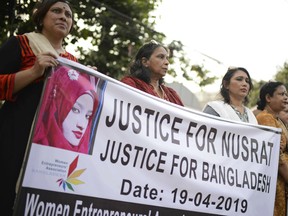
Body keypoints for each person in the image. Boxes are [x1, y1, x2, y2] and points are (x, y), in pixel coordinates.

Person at [0, 1, 77, 214]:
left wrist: (85, 85)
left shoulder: (72, 63)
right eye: (56, 11)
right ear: (41, 17)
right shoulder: (21, 43)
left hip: (47, 150)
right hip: (11, 136)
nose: (63, 16)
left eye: (68, 15)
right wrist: (34, 72)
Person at [33, 66, 98, 154]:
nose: (82, 125)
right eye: (75, 110)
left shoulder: (83, 155)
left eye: (87, 116)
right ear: (59, 105)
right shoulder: (35, 144)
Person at [255, 81, 288, 216]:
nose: (286, 97)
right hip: (275, 180)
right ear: (268, 98)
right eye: (281, 94)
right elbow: (276, 156)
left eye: (286, 94)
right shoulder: (265, 118)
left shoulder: (278, 120)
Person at [120, 40, 184, 106]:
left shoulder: (172, 95)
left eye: (167, 58)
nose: (167, 62)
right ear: (145, 62)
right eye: (161, 57)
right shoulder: (130, 84)